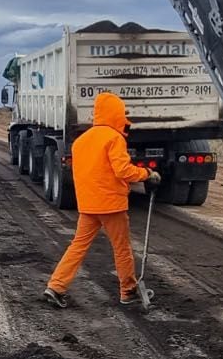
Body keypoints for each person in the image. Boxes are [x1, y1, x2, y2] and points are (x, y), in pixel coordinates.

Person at [43, 92, 161, 308]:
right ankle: (127, 291)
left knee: (77, 246)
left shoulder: (81, 141)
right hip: (111, 206)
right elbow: (123, 170)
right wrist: (147, 174)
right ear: (116, 113)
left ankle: (56, 286)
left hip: (88, 205)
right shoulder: (114, 138)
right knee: (122, 248)